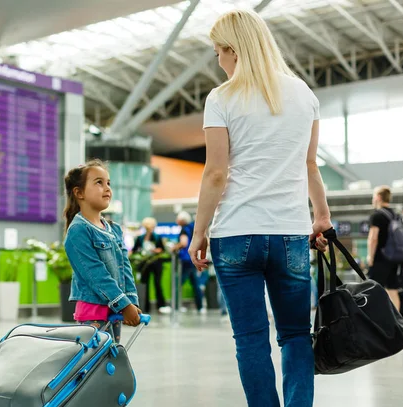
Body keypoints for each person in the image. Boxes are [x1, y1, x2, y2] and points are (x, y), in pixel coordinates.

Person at [188, 9, 330, 407]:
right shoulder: (304, 94)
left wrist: (198, 233)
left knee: (250, 339)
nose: (218, 61)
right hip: (289, 233)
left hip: (235, 233)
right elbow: (309, 164)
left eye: (219, 52)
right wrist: (321, 217)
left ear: (233, 50)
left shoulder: (222, 98)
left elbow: (216, 173)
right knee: (295, 335)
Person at [63, 159, 142, 343]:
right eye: (99, 182)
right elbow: (95, 274)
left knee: (110, 363)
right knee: (94, 367)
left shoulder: (113, 229)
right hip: (93, 314)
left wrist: (131, 301)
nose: (107, 188)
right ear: (79, 192)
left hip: (114, 311)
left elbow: (125, 269)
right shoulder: (78, 231)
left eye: (108, 183)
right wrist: (123, 304)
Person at [367, 186, 401, 309]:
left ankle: (375, 320)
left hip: (380, 258)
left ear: (378, 197)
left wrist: (370, 257)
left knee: (373, 289)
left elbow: (373, 238)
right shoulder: (395, 214)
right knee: (393, 289)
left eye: (373, 196)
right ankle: (397, 322)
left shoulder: (377, 215)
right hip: (394, 257)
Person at [132, 217, 169, 314]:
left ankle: (161, 305)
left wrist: (157, 250)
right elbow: (135, 249)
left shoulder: (157, 237)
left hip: (156, 263)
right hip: (145, 264)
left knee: (157, 283)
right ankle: (145, 306)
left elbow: (162, 249)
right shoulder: (140, 238)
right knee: (145, 284)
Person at [173, 211, 204, 313]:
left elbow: (183, 243)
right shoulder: (192, 228)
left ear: (182, 220)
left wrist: (174, 248)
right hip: (192, 258)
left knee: (177, 283)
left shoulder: (184, 229)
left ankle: (176, 306)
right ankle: (200, 307)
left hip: (185, 260)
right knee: (195, 283)